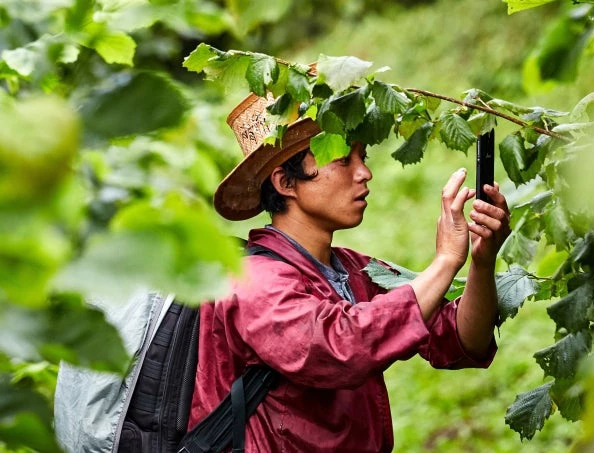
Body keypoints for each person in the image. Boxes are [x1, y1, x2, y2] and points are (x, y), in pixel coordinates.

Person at [188, 92, 511, 452]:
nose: (365, 172)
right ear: (285, 182)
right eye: (343, 159)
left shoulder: (354, 270)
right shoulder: (252, 281)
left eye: (363, 156)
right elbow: (341, 346)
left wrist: (481, 262)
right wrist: (446, 261)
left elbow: (461, 341)